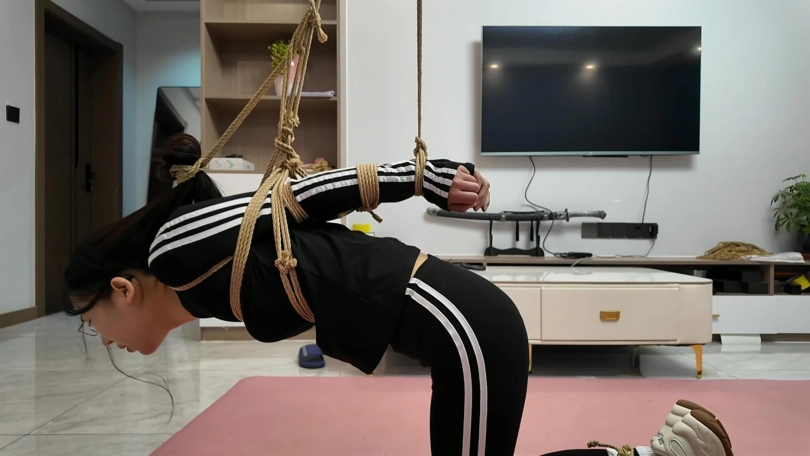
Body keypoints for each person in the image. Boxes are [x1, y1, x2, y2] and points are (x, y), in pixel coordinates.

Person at [64, 140, 528, 456]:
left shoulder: (171, 248)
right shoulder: (203, 291)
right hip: (462, 331)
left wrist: (423, 176)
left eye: (89, 320)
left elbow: (298, 196)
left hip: (466, 329)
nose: (101, 339)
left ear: (121, 290)